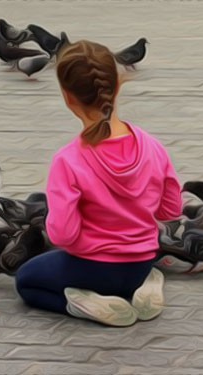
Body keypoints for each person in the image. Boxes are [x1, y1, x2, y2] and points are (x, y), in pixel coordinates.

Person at [15, 39, 183, 327]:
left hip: (91, 268)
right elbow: (171, 209)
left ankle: (87, 305)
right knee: (131, 275)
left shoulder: (67, 160)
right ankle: (144, 288)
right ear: (117, 86)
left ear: (67, 97)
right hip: (141, 263)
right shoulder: (153, 146)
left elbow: (63, 236)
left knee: (27, 279)